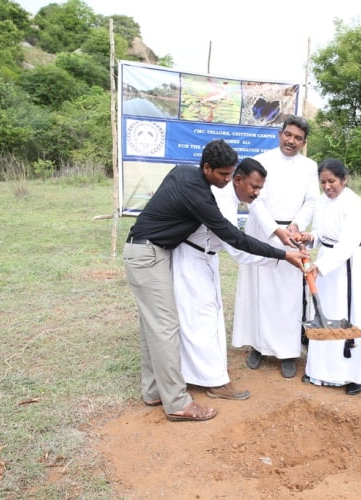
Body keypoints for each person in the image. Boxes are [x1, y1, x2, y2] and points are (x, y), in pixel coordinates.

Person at [123, 140, 306, 422]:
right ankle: (181, 399)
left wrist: (281, 238)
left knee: (165, 325)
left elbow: (251, 215)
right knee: (176, 326)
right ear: (213, 170)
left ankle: (155, 389)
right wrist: (283, 256)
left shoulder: (190, 176)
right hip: (162, 255)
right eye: (226, 175)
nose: (256, 193)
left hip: (162, 252)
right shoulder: (207, 197)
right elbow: (237, 242)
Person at [173, 158, 279, 400]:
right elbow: (240, 250)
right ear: (238, 180)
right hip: (190, 259)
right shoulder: (222, 200)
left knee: (209, 317)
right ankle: (214, 383)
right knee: (201, 319)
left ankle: (207, 374)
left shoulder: (231, 199)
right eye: (254, 187)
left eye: (260, 188)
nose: (256, 193)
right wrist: (281, 258)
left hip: (207, 258)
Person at [232, 115, 320, 378]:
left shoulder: (309, 166)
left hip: (292, 236)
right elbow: (254, 201)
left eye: (298, 138)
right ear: (280, 134)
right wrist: (274, 230)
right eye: (288, 135)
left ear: (304, 142)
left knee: (289, 296)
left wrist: (294, 226)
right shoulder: (263, 160)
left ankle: (289, 352)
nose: (291, 141)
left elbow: (311, 201)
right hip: (262, 232)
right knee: (259, 294)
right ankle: (259, 346)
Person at [300, 159, 361, 395]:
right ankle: (321, 370)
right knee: (325, 313)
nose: (327, 187)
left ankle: (354, 374)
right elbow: (323, 232)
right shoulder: (322, 201)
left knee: (351, 313)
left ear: (344, 179)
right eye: (323, 182)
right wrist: (311, 237)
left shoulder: (355, 205)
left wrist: (320, 266)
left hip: (352, 265)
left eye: (332, 181)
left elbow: (346, 244)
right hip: (328, 264)